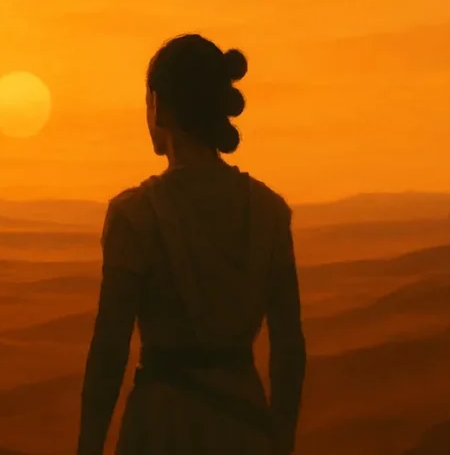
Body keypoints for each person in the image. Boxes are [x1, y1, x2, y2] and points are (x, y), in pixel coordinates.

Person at [76, 34, 306, 454]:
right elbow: (288, 347)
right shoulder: (270, 212)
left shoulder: (134, 215)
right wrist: (280, 440)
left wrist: (87, 447)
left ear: (160, 106)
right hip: (245, 428)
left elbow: (110, 349)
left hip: (161, 429)